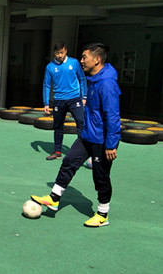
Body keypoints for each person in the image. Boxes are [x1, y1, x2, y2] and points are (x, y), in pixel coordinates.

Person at [31, 43, 121, 227]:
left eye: (84, 57)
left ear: (97, 59)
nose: (81, 61)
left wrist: (111, 144)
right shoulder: (93, 80)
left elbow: (113, 116)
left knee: (101, 176)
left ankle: (102, 214)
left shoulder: (106, 84)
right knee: (69, 162)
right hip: (87, 135)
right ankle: (54, 198)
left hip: (102, 140)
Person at [42, 43, 87, 160]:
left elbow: (82, 78)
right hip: (59, 100)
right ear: (54, 53)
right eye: (57, 53)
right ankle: (57, 151)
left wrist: (84, 97)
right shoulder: (50, 67)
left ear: (66, 51)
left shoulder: (74, 62)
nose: (60, 55)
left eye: (62, 52)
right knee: (58, 126)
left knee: (81, 124)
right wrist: (46, 103)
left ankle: (83, 151)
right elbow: (46, 85)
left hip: (75, 98)